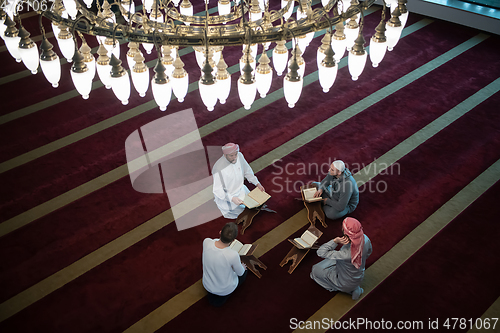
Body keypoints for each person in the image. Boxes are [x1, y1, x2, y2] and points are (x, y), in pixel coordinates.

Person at [310, 217, 372, 300]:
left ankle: (348, 290)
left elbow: (320, 252)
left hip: (344, 282)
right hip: (358, 276)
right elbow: (368, 252)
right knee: (333, 260)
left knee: (315, 270)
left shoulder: (346, 254)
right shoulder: (365, 238)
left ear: (346, 232)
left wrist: (335, 241)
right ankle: (355, 289)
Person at [212, 143, 265, 219]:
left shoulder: (239, 156)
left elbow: (247, 171)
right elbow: (217, 190)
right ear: (225, 155)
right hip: (229, 196)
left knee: (254, 204)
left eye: (235, 154)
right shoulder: (218, 168)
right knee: (242, 213)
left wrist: (257, 183)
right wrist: (232, 199)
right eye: (231, 156)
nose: (235, 158)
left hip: (241, 189)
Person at [202, 222, 248, 306]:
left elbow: (215, 242)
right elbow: (240, 273)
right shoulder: (233, 255)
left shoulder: (206, 241)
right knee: (244, 272)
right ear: (233, 240)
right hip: (224, 290)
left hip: (207, 284)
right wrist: (242, 267)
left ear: (220, 232)